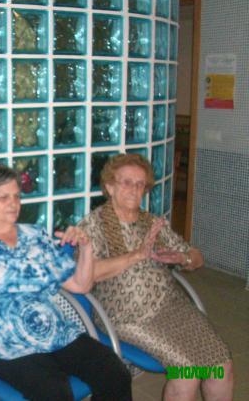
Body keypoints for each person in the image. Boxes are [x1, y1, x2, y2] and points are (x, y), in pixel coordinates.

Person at [0, 163, 132, 401]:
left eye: (17, 196)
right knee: (54, 392)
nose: (14, 203)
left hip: (53, 332)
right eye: (4, 198)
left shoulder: (36, 235)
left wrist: (86, 248)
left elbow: (80, 286)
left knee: (115, 373)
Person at [78, 153, 233, 401]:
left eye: (140, 184)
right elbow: (88, 274)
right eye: (126, 182)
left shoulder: (151, 223)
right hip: (128, 315)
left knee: (221, 367)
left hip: (172, 307)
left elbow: (197, 257)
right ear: (109, 186)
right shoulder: (93, 225)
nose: (134, 189)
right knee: (187, 372)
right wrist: (136, 255)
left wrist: (183, 258)